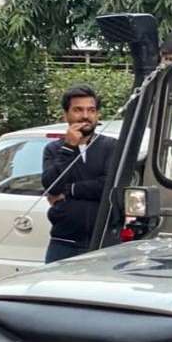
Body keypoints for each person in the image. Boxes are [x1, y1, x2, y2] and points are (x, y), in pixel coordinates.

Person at [41, 84, 116, 263]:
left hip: (104, 241)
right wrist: (68, 147)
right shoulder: (54, 149)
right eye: (78, 110)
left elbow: (108, 185)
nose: (85, 116)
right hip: (64, 241)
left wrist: (69, 190)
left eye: (91, 110)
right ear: (65, 115)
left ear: (98, 115)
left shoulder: (111, 146)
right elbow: (51, 185)